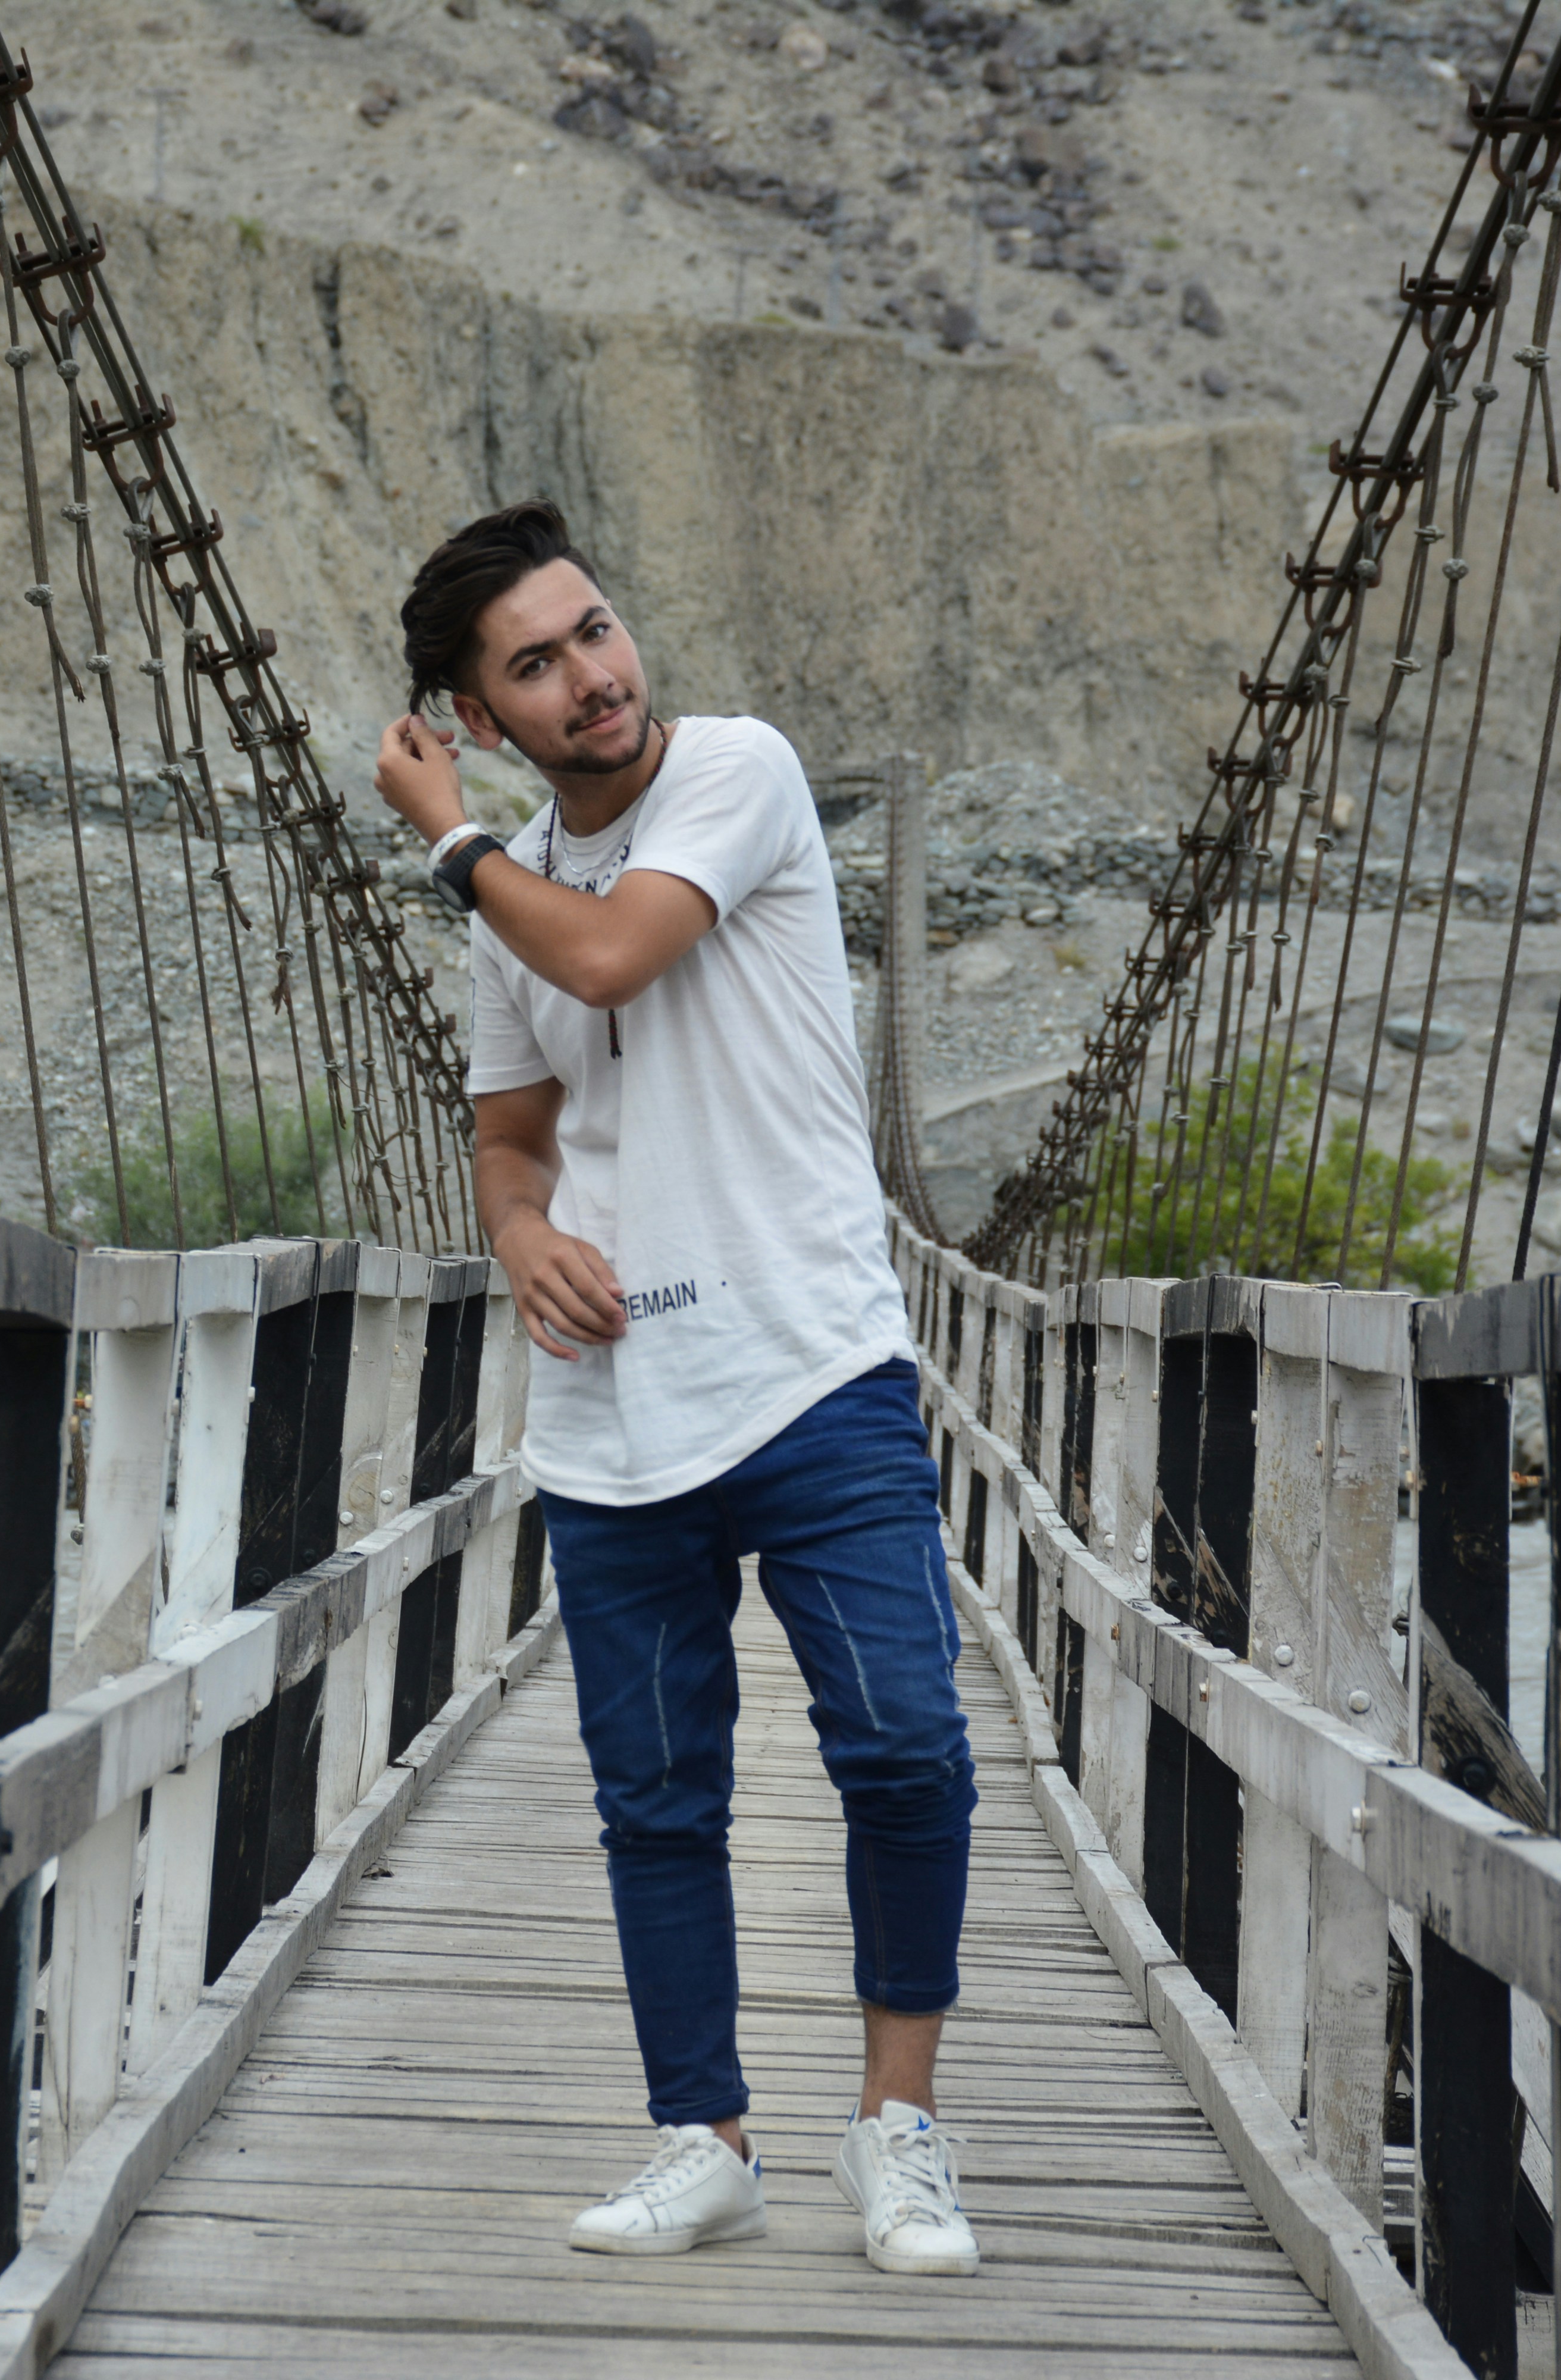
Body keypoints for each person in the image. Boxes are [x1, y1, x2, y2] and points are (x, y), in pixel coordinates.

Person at [370, 499, 982, 2278]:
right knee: (656, 1797)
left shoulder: (736, 770)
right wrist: (519, 1233)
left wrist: (443, 843)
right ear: (487, 713)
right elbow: (507, 1136)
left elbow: (614, 951)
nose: (591, 677)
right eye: (536, 664)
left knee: (909, 1748)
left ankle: (901, 2131)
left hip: (810, 1366)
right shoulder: (503, 898)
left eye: (595, 630)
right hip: (614, 1407)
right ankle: (703, 2139)